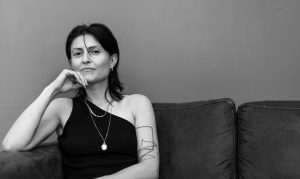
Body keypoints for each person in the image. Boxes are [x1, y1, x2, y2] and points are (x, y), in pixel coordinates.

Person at [2, 23, 159, 179]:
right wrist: (52, 90)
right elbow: (11, 145)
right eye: (77, 54)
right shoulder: (61, 109)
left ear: (112, 60)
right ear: (71, 64)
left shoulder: (138, 104)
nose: (85, 59)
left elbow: (150, 169)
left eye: (94, 52)